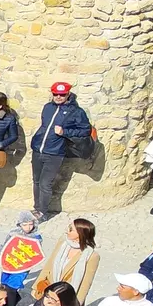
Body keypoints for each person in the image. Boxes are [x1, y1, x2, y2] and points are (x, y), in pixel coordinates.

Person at [29, 81, 92, 217]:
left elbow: (85, 130)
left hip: (55, 153)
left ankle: (42, 212)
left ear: (68, 94)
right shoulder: (47, 107)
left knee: (45, 184)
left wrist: (65, 132)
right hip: (38, 150)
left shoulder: (76, 112)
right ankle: (36, 208)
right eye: (55, 94)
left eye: (62, 95)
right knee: (36, 181)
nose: (58, 97)